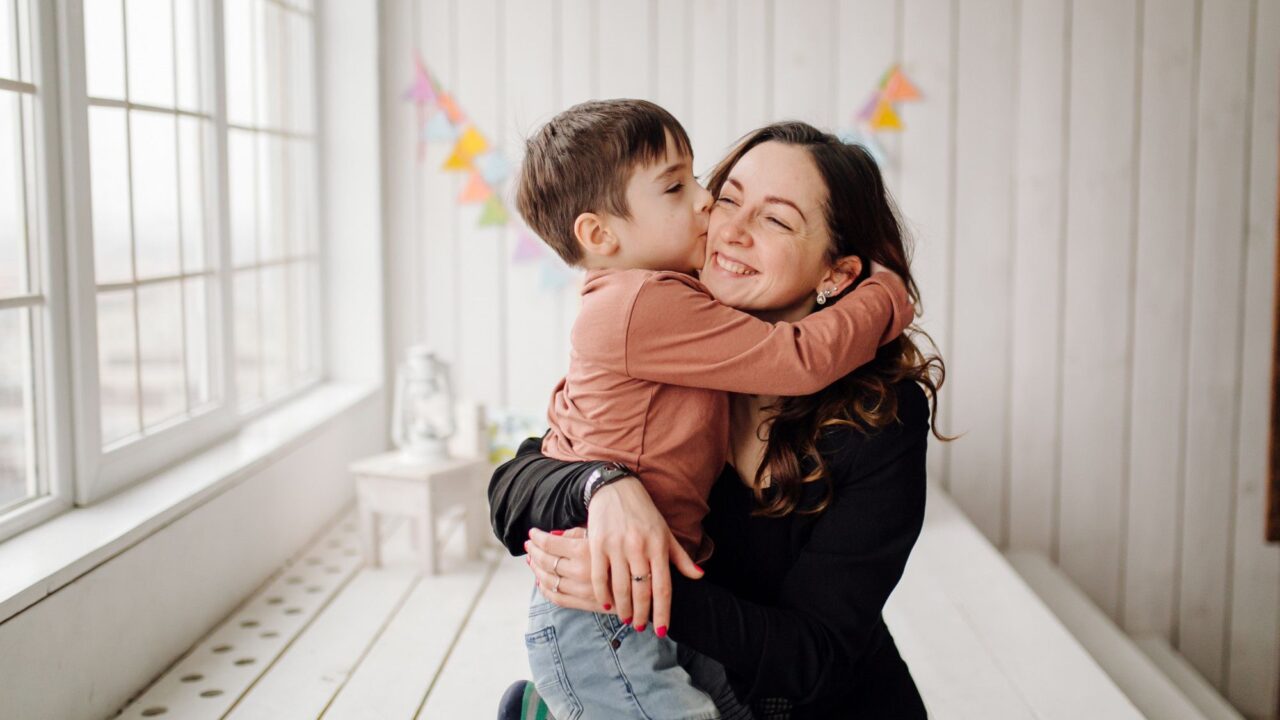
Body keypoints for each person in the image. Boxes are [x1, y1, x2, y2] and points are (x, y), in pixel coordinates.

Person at [493, 121, 947, 718]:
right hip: (669, 657)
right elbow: (517, 481)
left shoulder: (882, 419)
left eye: (777, 220)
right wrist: (603, 486)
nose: (727, 226)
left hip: (821, 702)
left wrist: (649, 592)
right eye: (728, 197)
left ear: (835, 275)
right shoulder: (667, 333)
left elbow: (817, 653)